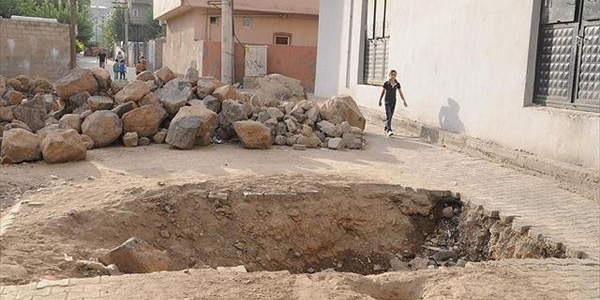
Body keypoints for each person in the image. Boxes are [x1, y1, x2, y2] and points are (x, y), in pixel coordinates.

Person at [378, 70, 408, 137]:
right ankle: (389, 130)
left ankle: (386, 126)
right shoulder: (386, 83)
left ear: (396, 76)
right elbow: (383, 92)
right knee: (388, 115)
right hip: (387, 102)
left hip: (393, 101)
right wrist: (380, 100)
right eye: (392, 74)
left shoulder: (397, 84)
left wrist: (404, 101)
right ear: (389, 75)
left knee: (390, 116)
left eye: (394, 74)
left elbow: (400, 93)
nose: (393, 76)